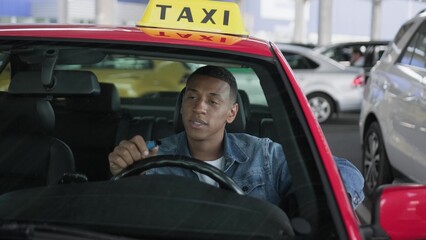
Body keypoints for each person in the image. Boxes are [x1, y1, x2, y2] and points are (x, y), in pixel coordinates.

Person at [108, 65, 365, 208]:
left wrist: (329, 206)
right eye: (192, 97)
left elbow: (342, 170)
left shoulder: (262, 155)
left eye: (213, 100)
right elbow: (123, 215)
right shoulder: (151, 156)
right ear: (182, 105)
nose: (199, 107)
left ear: (231, 113)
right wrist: (125, 175)